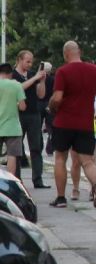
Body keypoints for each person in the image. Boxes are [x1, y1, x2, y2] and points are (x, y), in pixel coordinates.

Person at [49, 41, 96, 209]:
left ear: (66, 54)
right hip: (85, 123)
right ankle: (95, 186)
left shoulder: (63, 71)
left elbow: (58, 98)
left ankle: (60, 198)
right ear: (79, 52)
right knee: (87, 161)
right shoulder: (94, 70)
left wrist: (52, 107)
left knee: (60, 158)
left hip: (64, 122)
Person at [13, 50, 48, 188]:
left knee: (36, 147)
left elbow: (41, 94)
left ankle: (38, 179)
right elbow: (18, 89)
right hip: (18, 115)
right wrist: (34, 79)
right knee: (16, 148)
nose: (29, 64)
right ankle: (16, 179)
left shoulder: (33, 75)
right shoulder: (13, 75)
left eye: (31, 61)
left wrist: (42, 81)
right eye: (27, 61)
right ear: (20, 60)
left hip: (34, 113)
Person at [0, 64, 26, 177]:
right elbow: (22, 107)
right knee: (12, 156)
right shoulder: (16, 85)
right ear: (10, 73)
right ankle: (11, 182)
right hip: (13, 127)